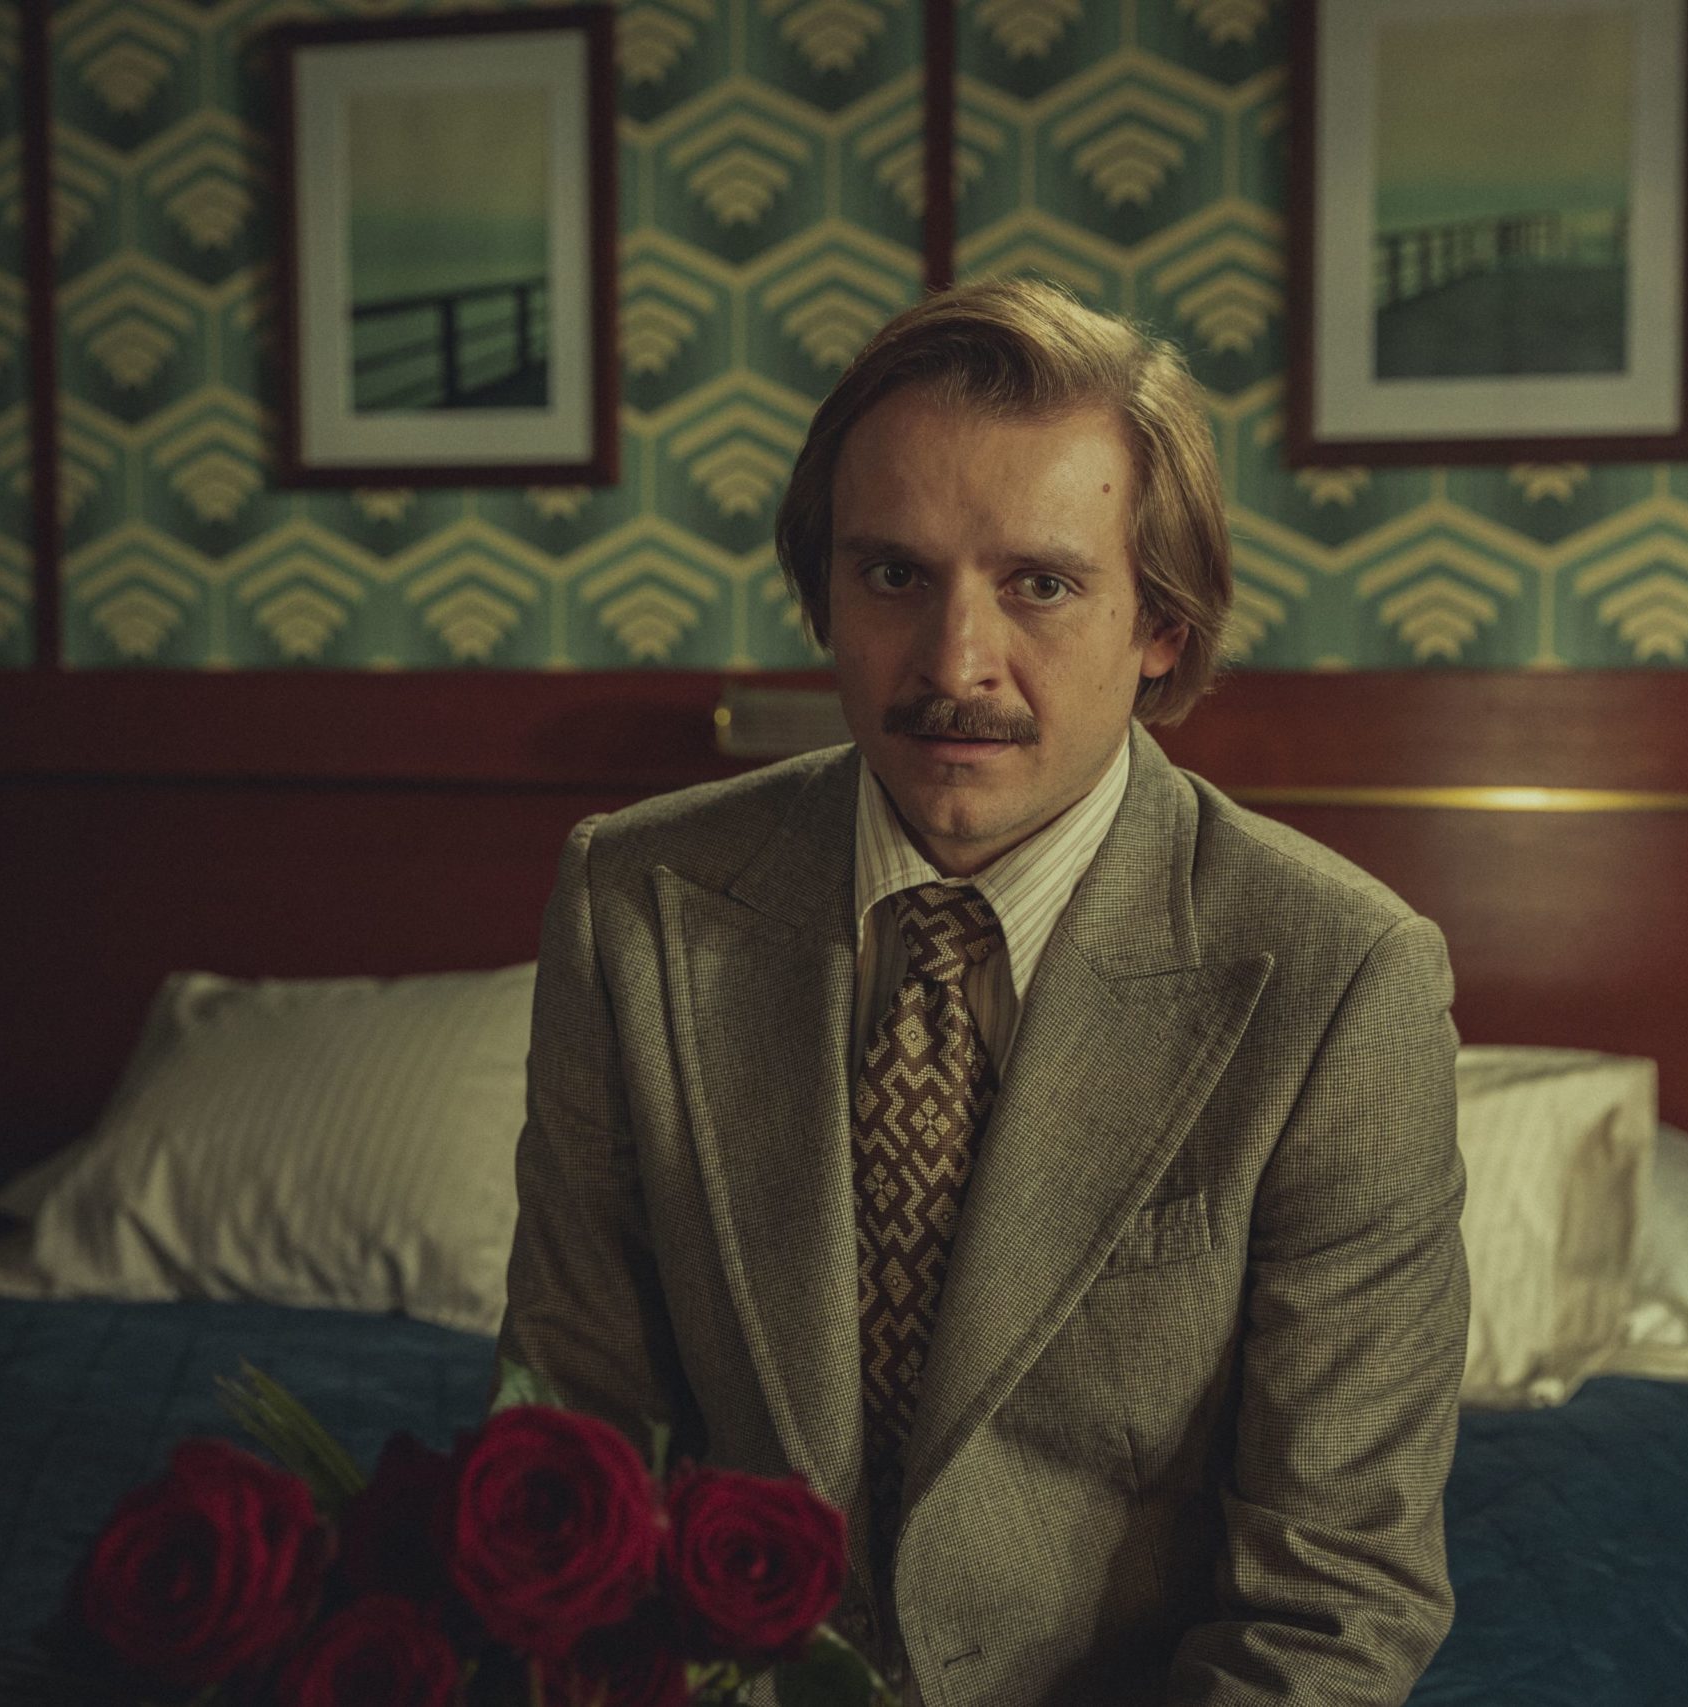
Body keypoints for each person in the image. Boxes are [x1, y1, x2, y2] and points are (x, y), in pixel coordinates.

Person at [499, 278, 1468, 1706]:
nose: (956, 664)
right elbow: (574, 1451)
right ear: (824, 593)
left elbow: (1334, 1607)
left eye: (1041, 585)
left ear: (1161, 625)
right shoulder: (632, 900)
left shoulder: (1340, 977)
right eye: (893, 576)